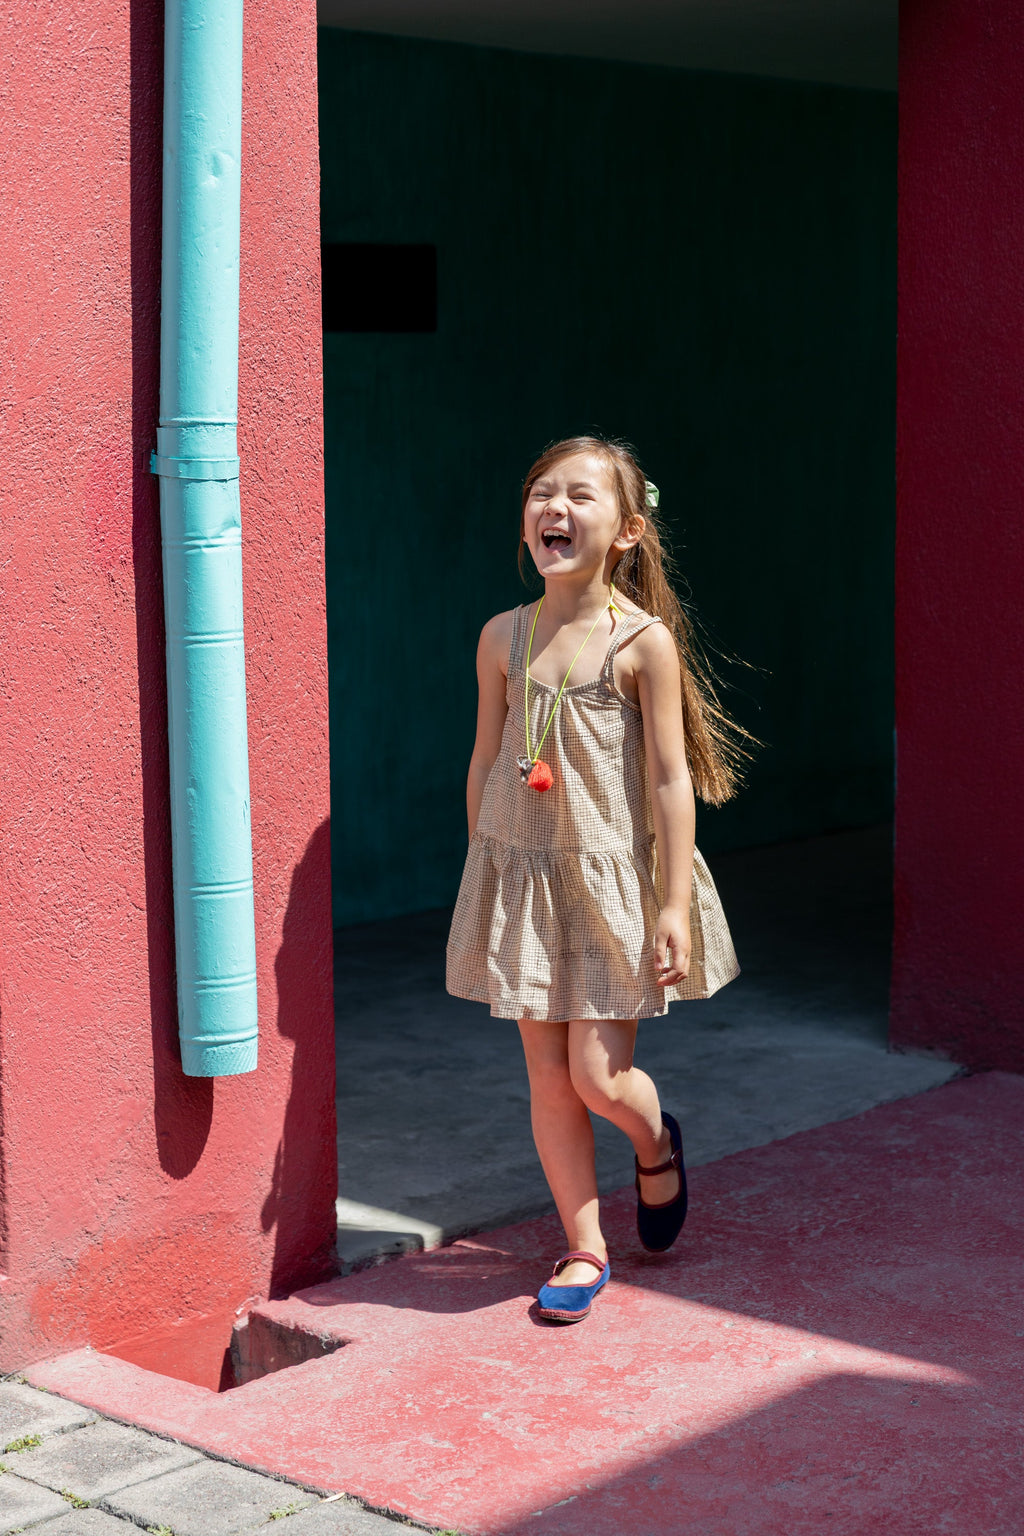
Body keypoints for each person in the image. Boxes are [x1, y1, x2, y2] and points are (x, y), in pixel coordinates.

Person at [446, 435, 750, 1324]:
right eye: (542, 492)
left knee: (597, 1076)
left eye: (581, 495)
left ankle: (656, 1144)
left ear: (627, 531)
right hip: (524, 876)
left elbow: (666, 777)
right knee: (547, 1077)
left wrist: (671, 903)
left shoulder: (642, 642)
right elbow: (487, 756)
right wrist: (482, 869)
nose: (556, 508)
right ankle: (584, 1247)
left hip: (611, 878)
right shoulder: (503, 634)